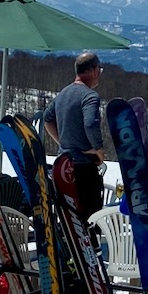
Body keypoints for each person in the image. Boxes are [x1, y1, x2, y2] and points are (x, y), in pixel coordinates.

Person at [42, 51, 106, 216]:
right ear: (94, 70)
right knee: (89, 221)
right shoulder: (89, 96)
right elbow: (91, 124)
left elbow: (47, 120)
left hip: (62, 167)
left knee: (67, 222)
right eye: (99, 69)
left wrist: (62, 143)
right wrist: (98, 149)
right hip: (84, 169)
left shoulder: (63, 94)